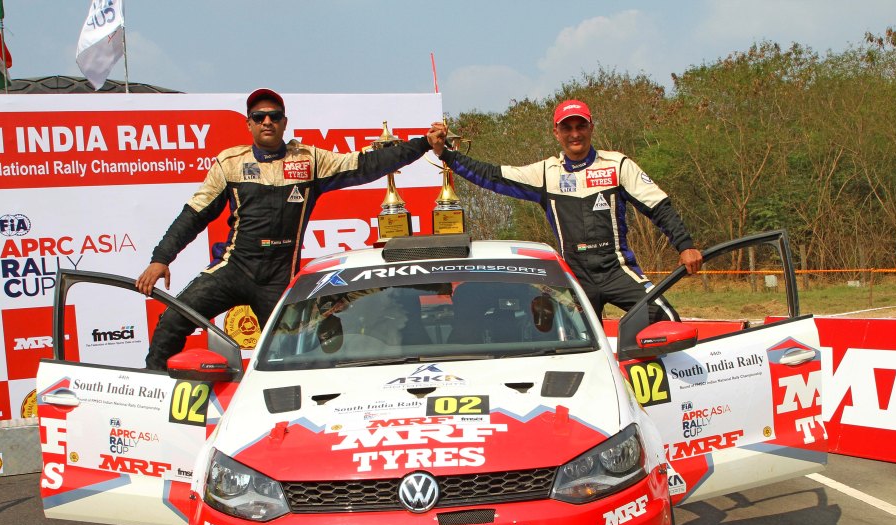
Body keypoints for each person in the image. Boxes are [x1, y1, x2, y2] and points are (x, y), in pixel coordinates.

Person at [136, 87, 447, 370]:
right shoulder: (229, 163)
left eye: (274, 116)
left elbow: (366, 164)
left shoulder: (309, 160)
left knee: (291, 356)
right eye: (259, 117)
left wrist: (423, 144)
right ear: (249, 124)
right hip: (235, 267)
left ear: (285, 123)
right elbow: (194, 214)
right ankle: (152, 387)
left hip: (279, 275)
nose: (267, 122)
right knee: (173, 319)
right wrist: (161, 257)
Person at [429, 98, 702, 321]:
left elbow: (659, 206)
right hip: (574, 276)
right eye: (567, 128)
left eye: (580, 126)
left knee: (666, 319)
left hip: (617, 270)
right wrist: (446, 154)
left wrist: (685, 246)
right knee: (557, 336)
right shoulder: (546, 172)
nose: (575, 134)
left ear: (591, 128)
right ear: (556, 133)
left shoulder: (617, 165)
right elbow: (491, 175)